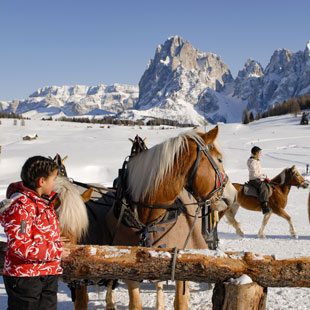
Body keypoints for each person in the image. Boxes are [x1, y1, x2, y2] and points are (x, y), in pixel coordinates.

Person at [0, 155, 70, 310]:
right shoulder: (21, 206)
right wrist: (55, 250)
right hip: (25, 277)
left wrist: (54, 241)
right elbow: (21, 246)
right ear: (41, 181)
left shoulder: (45, 203)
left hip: (47, 272)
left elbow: (37, 233)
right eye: (53, 179)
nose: (55, 184)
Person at [247, 146, 271, 214]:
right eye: (259, 153)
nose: (260, 154)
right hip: (254, 179)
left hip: (258, 178)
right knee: (263, 187)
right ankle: (264, 206)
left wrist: (263, 176)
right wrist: (263, 177)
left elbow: (258, 172)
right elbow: (254, 174)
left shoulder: (255, 161)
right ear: (256, 153)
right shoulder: (252, 162)